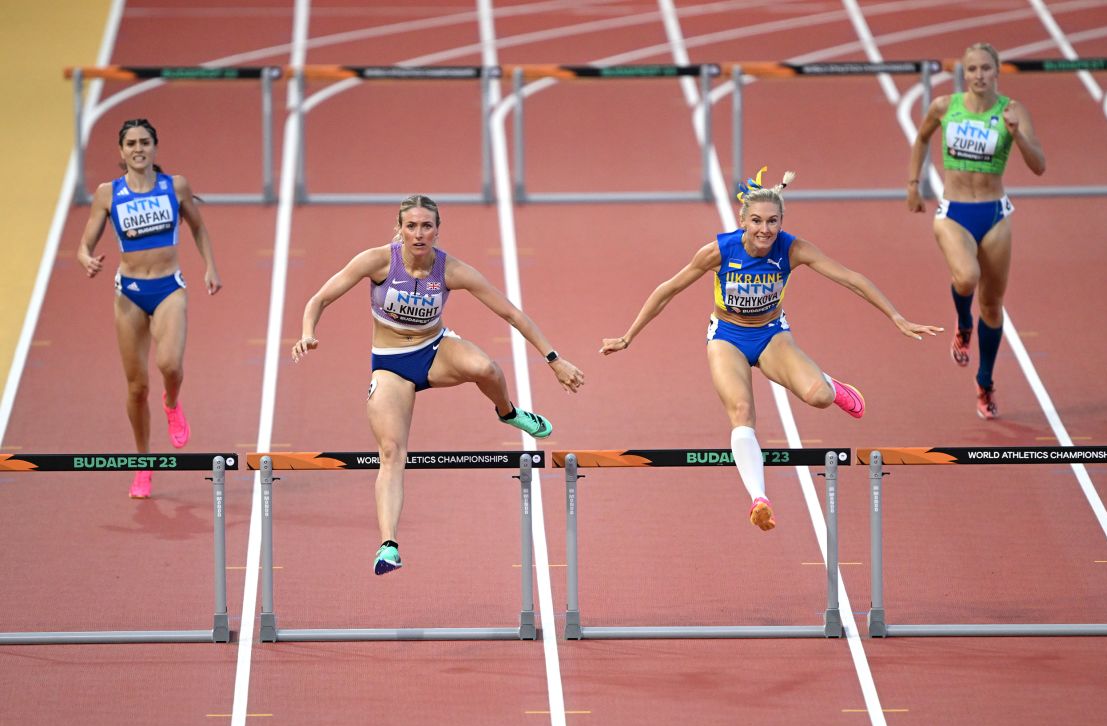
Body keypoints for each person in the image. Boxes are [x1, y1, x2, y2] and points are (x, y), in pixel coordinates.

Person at [600, 167, 941, 531]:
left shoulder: (792, 249)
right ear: (743, 221)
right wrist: (628, 335)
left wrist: (896, 317)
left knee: (821, 397)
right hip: (728, 337)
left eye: (773, 222)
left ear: (782, 222)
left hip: (772, 335)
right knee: (742, 410)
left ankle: (830, 383)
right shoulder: (719, 251)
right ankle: (759, 499)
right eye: (758, 221)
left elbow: (851, 279)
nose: (765, 230)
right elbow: (667, 289)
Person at [292, 194, 584, 575]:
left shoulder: (450, 269)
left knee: (488, 368)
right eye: (410, 226)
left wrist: (554, 359)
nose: (418, 234)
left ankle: (508, 413)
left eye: (426, 226)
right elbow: (319, 298)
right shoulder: (378, 261)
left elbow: (511, 312)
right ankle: (388, 546)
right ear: (399, 228)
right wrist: (307, 333)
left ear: (437, 231)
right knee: (393, 453)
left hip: (434, 351)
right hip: (391, 366)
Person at [76, 118, 221, 499]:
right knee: (136, 386)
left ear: (155, 147)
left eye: (144, 142)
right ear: (121, 152)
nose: (138, 148)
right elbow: (85, 242)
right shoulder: (108, 194)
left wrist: (209, 265)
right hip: (129, 292)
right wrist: (85, 257)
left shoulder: (175, 186)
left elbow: (198, 228)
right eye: (130, 144)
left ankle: (172, 402)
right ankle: (143, 463)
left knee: (170, 365)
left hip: (168, 287)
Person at [906, 42, 1045, 420]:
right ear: (963, 74)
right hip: (954, 212)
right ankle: (963, 324)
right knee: (966, 277)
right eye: (972, 69)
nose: (979, 75)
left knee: (993, 305)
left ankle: (985, 382)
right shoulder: (944, 107)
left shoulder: (1012, 111)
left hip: (995, 214)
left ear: (997, 71)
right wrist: (913, 185)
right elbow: (921, 139)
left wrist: (1018, 136)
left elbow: (1039, 166)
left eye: (986, 68)